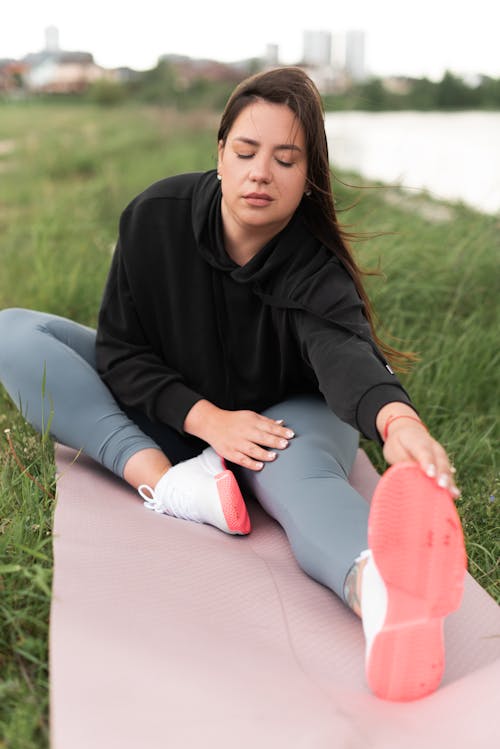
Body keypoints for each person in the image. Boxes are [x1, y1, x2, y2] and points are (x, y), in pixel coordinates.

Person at [0, 66, 466, 702]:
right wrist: (206, 420)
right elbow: (123, 352)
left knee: (295, 478)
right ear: (219, 153)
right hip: (179, 410)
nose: (260, 173)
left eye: (285, 159)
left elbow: (345, 354)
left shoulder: (314, 267)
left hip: (285, 418)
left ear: (308, 179)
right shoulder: (153, 218)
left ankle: (381, 594)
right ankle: (171, 484)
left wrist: (396, 421)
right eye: (245, 152)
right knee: (15, 334)